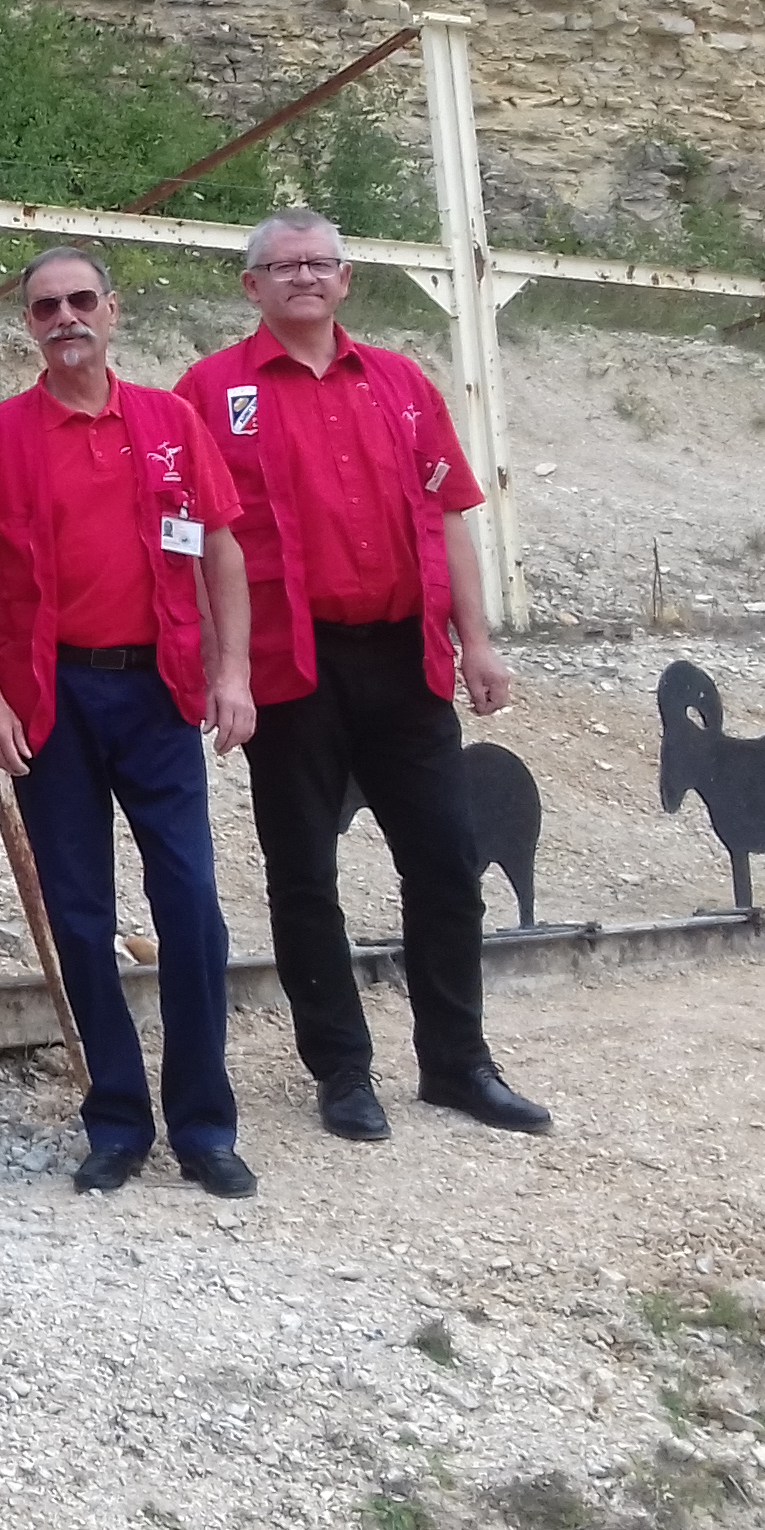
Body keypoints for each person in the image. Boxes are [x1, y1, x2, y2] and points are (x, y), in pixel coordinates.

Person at [172, 207, 551, 1141]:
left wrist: (477, 642)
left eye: (320, 264)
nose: (304, 277)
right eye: (283, 266)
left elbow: (450, 516)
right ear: (251, 286)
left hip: (404, 660)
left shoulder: (403, 383)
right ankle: (342, 1070)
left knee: (447, 862)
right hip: (290, 667)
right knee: (304, 872)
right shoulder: (208, 394)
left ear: (345, 280)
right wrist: (220, 668)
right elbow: (194, 545)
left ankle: (457, 1063)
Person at [0, 248, 260, 1197]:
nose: (66, 317)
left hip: (159, 695)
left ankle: (204, 1125)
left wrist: (232, 672)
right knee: (79, 917)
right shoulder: (4, 436)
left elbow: (219, 546)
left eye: (82, 300)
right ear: (29, 325)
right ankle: (117, 1119)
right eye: (46, 306)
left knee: (191, 908)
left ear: (113, 311)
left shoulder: (169, 422)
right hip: (54, 702)